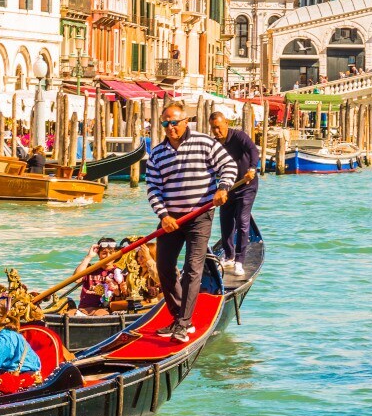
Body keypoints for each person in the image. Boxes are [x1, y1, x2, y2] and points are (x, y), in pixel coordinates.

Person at [146, 104, 236, 343]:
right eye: (165, 124)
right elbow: (153, 188)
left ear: (186, 121)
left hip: (200, 216)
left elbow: (229, 166)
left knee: (192, 268)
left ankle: (184, 325)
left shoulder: (204, 143)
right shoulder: (157, 154)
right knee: (164, 267)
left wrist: (223, 187)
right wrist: (164, 215)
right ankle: (178, 317)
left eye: (174, 123)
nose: (170, 128)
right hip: (170, 220)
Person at [209, 111, 260, 278]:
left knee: (242, 221)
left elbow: (253, 150)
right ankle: (229, 256)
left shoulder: (238, 136)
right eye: (213, 128)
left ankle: (239, 260)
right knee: (225, 222)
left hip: (247, 185)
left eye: (219, 127)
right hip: (228, 188)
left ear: (226, 124)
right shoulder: (215, 145)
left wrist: (252, 168)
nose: (216, 131)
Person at [75, 238, 125, 314]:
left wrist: (116, 289)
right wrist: (89, 256)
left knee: (100, 313)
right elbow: (77, 279)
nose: (108, 256)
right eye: (104, 253)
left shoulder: (118, 273)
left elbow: (122, 296)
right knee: (69, 314)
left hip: (103, 310)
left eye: (111, 253)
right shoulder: (90, 269)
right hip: (83, 309)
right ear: (99, 255)